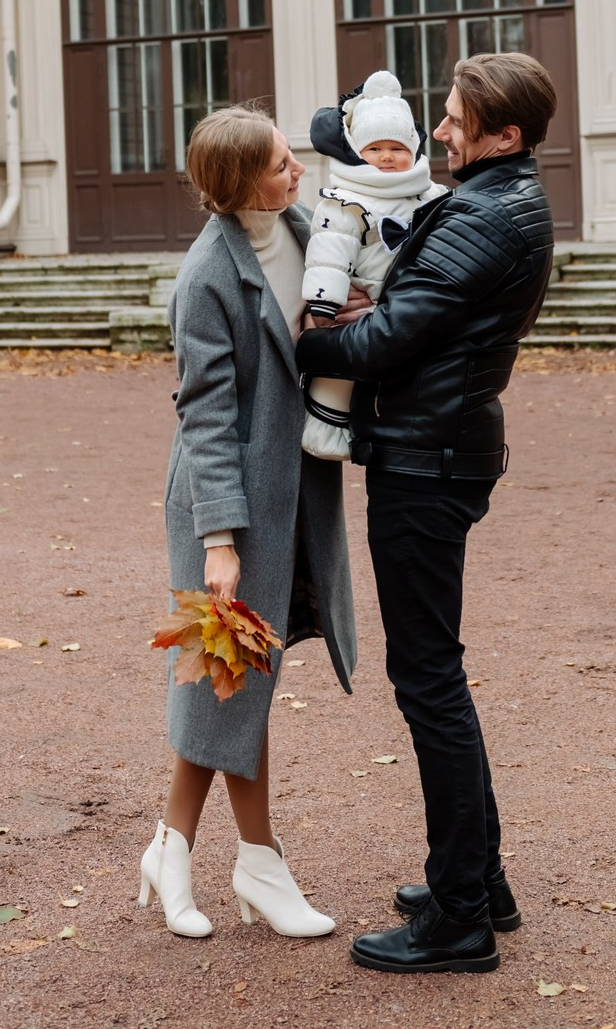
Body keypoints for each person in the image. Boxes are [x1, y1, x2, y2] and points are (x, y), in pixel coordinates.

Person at [297, 50, 556, 974]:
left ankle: (458, 921)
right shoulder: (502, 204)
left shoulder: (484, 214)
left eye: (452, 120)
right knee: (438, 676)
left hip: (425, 459)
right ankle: (479, 882)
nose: (438, 132)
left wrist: (310, 338)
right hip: (446, 446)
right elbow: (414, 310)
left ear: (505, 135)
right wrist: (376, 309)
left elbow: (392, 336)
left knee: (429, 683)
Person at [140, 104, 357, 940]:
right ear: (237, 185)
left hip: (294, 492)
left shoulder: (307, 230)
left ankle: (177, 847)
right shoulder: (205, 277)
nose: (296, 170)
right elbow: (205, 417)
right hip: (223, 504)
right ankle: (256, 864)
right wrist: (219, 542)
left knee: (238, 683)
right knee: (235, 679)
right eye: (278, 164)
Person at [300, 70, 447, 460]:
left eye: (397, 149)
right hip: (359, 300)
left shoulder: (431, 194)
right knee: (339, 373)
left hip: (404, 304)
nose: (386, 157)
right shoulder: (345, 199)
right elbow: (329, 251)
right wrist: (324, 303)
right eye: (375, 149)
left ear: (413, 151)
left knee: (398, 380)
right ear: (357, 152)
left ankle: (388, 431)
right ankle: (325, 433)